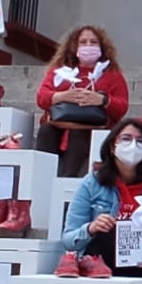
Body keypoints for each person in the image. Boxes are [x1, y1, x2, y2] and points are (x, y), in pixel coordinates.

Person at [61, 117, 142, 279]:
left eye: (141, 141)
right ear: (113, 146)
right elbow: (68, 240)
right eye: (126, 139)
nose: (134, 146)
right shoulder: (92, 183)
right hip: (100, 263)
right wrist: (91, 228)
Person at [35, 24, 129, 177]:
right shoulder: (59, 71)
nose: (88, 46)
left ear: (102, 47)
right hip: (57, 125)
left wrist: (102, 100)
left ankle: (67, 180)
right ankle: (42, 179)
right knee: (46, 131)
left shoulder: (112, 75)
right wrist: (63, 96)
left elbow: (122, 107)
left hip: (92, 128)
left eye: (93, 42)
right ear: (74, 47)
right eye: (83, 42)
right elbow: (41, 98)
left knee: (78, 133)